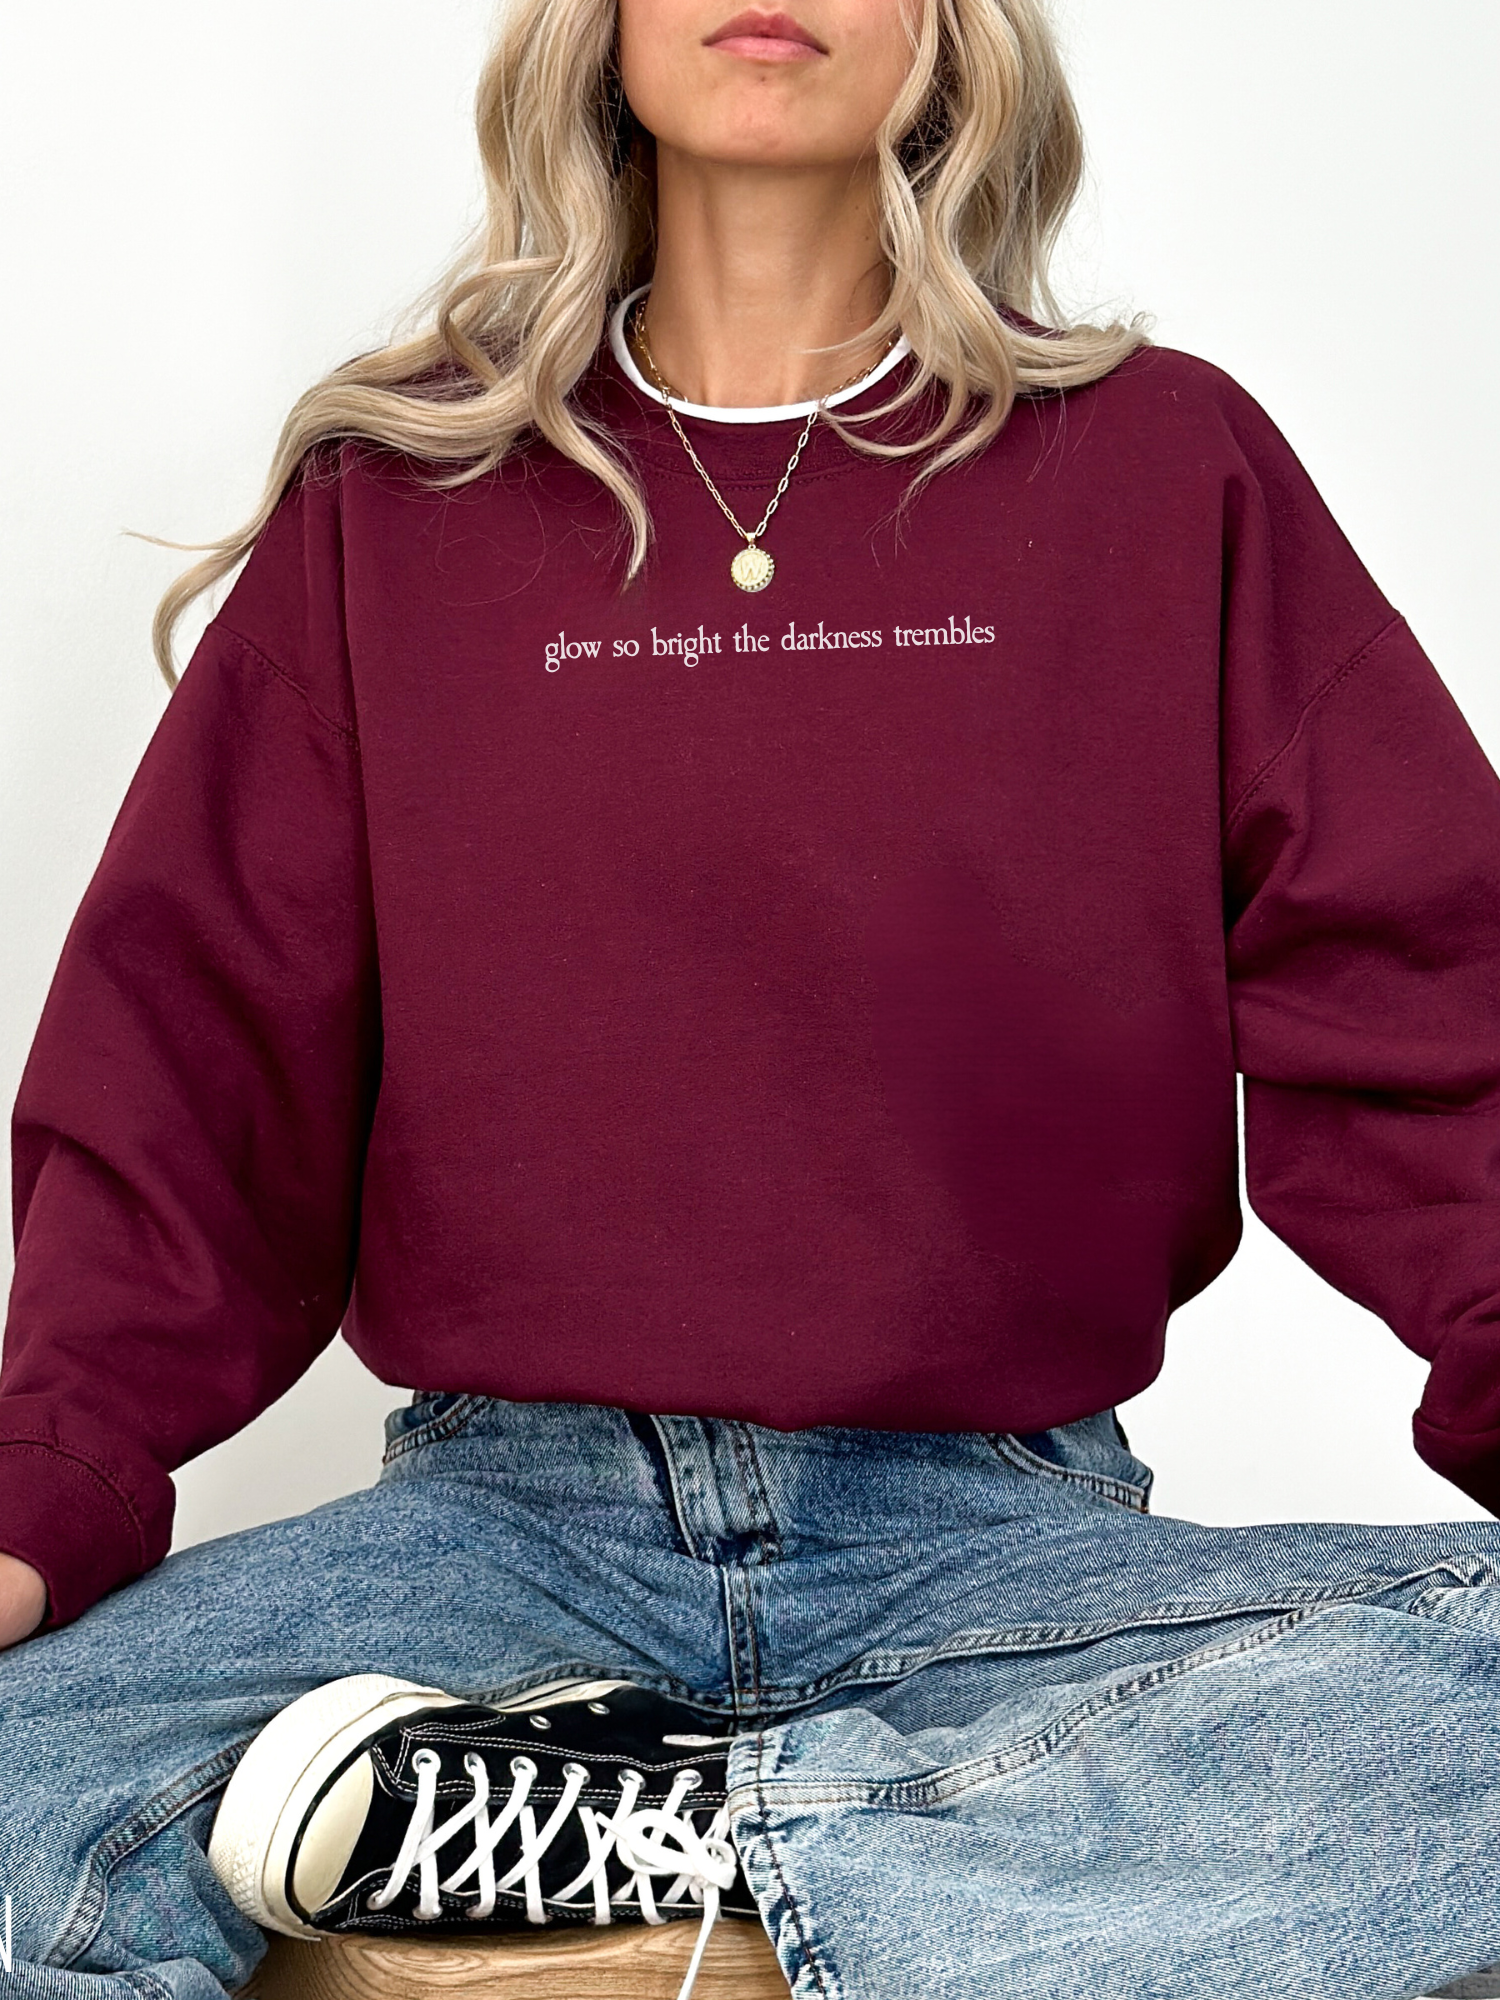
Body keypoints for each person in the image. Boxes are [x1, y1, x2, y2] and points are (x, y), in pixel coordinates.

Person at [3, 0, 1500, 1993]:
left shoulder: (1167, 469)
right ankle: (913, 1854)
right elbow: (196, 1080)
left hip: (1001, 1537)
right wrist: (42, 1487)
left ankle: (685, 1856)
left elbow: (1435, 1010)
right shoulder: (395, 510)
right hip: (498, 1529)